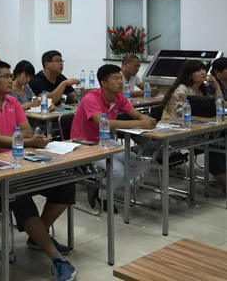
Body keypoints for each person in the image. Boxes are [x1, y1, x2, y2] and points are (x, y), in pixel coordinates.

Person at [0, 61, 77, 281]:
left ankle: (37, 236)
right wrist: (16, 139)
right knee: (19, 195)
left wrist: (6, 139)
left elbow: (25, 132)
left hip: (21, 161)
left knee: (65, 184)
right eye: (6, 76)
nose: (11, 80)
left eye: (11, 76)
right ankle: (56, 259)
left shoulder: (12, 102)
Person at [71, 64, 156, 210]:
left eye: (121, 78)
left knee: (136, 163)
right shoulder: (91, 98)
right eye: (116, 79)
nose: (121, 82)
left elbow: (136, 114)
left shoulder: (118, 97)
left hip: (103, 141)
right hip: (83, 143)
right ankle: (103, 197)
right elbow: (104, 123)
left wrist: (147, 120)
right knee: (117, 171)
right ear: (104, 83)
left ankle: (100, 187)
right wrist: (140, 123)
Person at [162, 60, 226, 192]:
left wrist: (216, 86)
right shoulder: (182, 89)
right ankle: (223, 178)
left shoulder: (203, 89)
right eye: (198, 70)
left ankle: (222, 174)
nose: (203, 72)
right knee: (214, 143)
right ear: (190, 75)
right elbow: (181, 113)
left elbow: (219, 105)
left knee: (220, 139)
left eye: (203, 69)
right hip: (176, 129)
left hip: (196, 129)